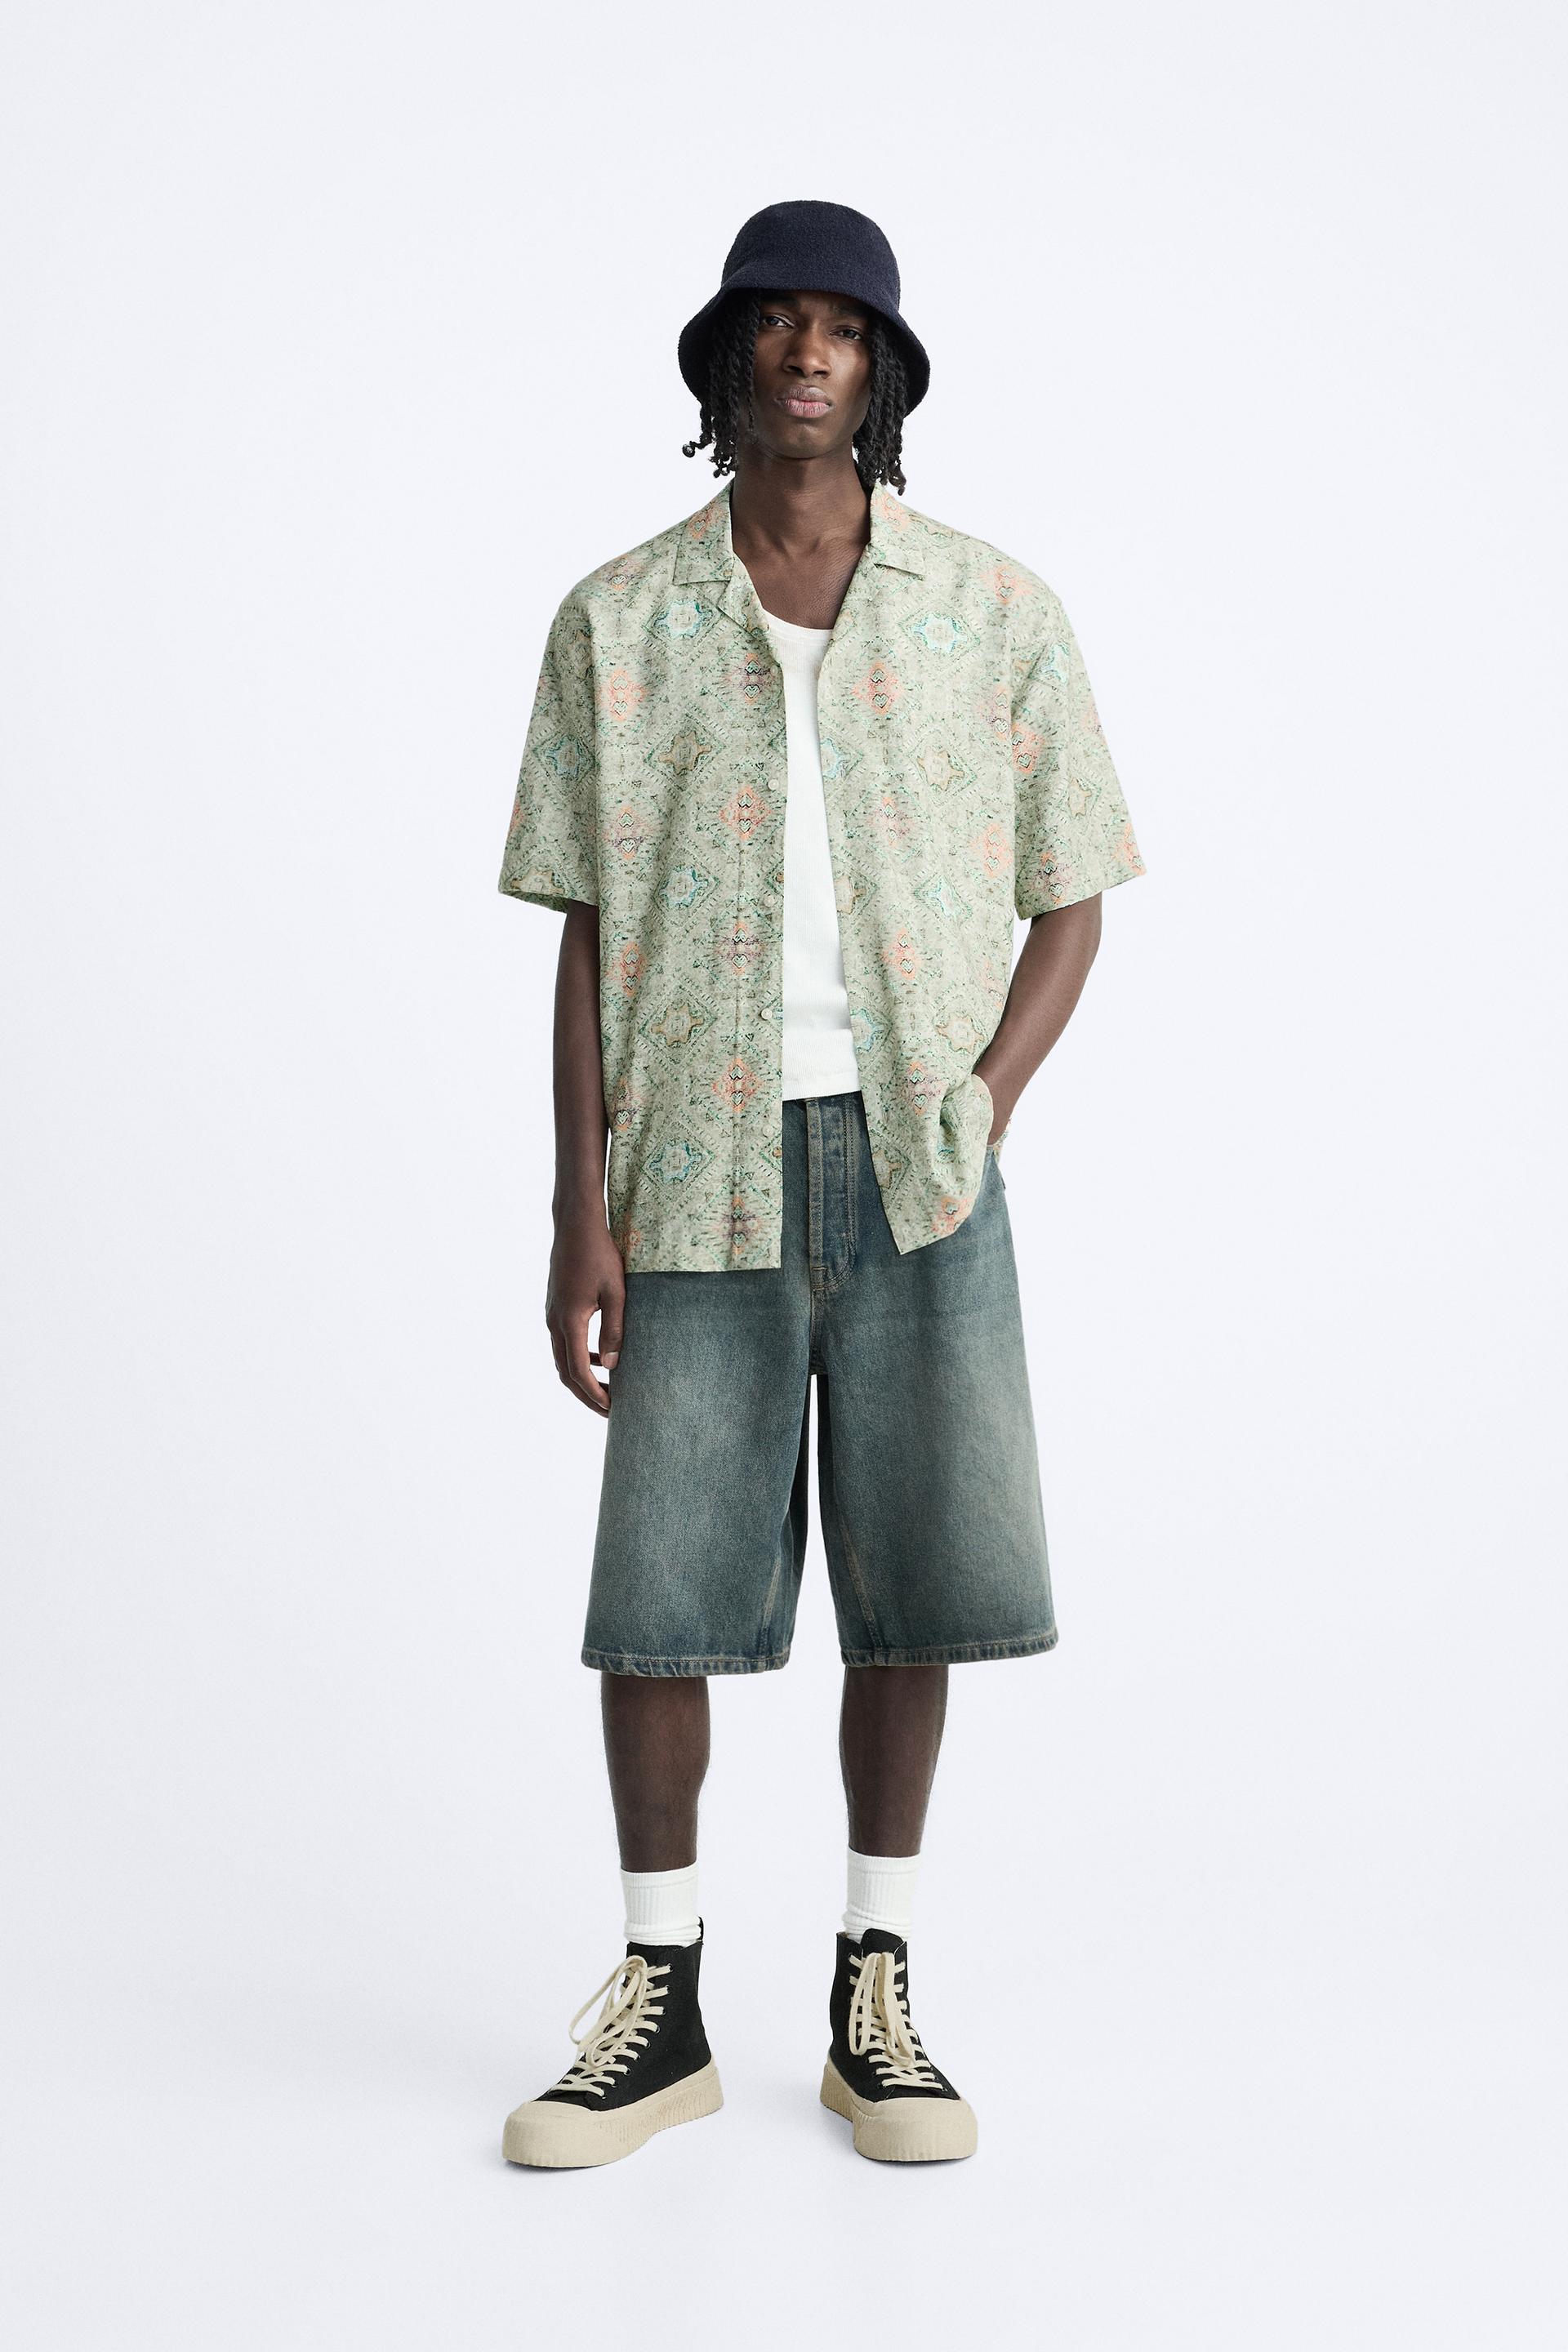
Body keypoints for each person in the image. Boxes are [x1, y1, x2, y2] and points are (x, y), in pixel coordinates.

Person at [496, 199, 1146, 2168]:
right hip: (688, 1162)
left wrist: (979, 1105)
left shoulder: (992, 608)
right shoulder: (618, 619)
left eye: (841, 328)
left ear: (882, 372)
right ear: (726, 365)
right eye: (774, 323)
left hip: (914, 1167)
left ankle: (878, 1993)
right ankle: (661, 2000)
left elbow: (1074, 892)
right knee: (658, 1598)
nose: (805, 351)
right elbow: (587, 928)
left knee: (915, 1579)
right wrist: (578, 1204)